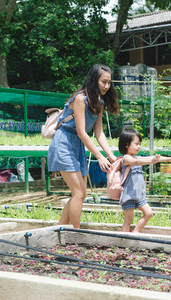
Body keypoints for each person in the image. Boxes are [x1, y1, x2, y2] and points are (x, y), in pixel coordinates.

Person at [48, 64, 119, 228]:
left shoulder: (98, 102)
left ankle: (60, 229)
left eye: (109, 83)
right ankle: (76, 233)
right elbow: (81, 132)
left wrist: (111, 155)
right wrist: (99, 156)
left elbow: (99, 132)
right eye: (104, 82)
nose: (107, 86)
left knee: (80, 194)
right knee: (79, 193)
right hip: (64, 143)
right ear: (94, 80)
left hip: (77, 146)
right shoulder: (80, 99)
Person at [118, 128, 171, 233]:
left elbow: (149, 159)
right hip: (128, 195)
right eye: (136, 144)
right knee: (128, 221)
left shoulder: (137, 157)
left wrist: (169, 159)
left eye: (140, 144)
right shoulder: (126, 159)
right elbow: (138, 162)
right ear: (126, 144)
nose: (139, 146)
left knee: (148, 213)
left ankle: (135, 232)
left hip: (139, 195)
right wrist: (152, 160)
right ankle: (124, 241)